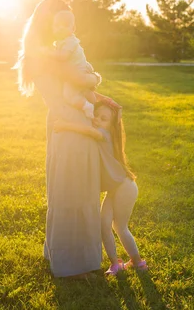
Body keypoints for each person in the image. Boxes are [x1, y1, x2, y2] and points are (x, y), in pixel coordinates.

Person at [15, 0, 118, 279]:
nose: (67, 27)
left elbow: (78, 82)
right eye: (61, 21)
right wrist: (95, 79)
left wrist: (95, 90)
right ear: (49, 23)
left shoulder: (44, 52)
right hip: (71, 126)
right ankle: (75, 263)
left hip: (65, 122)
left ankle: (70, 256)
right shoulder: (48, 56)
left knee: (70, 191)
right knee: (74, 192)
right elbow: (83, 80)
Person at [54, 102, 147, 276]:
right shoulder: (101, 132)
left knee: (120, 227)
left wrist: (64, 125)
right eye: (96, 115)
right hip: (114, 188)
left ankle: (138, 262)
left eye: (103, 119)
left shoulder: (105, 134)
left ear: (111, 126)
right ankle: (115, 264)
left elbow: (89, 131)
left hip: (125, 186)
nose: (97, 120)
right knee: (104, 225)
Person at [41, 9, 99, 119]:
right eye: (57, 26)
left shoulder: (70, 41)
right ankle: (92, 103)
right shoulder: (61, 42)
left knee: (69, 95)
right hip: (78, 69)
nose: (60, 28)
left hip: (78, 71)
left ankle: (87, 106)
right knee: (83, 90)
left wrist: (47, 53)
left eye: (65, 25)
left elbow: (63, 56)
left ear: (73, 29)